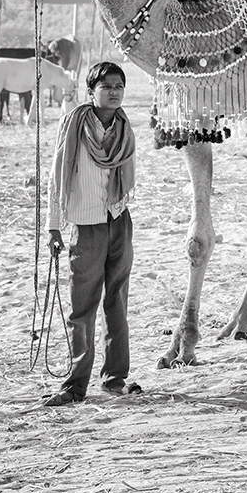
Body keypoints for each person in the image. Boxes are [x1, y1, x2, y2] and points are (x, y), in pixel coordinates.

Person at [43, 61, 142, 406]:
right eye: (107, 86)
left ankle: (115, 378)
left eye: (119, 86)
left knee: (117, 302)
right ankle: (74, 385)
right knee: (82, 308)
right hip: (85, 224)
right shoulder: (73, 125)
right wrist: (54, 225)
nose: (114, 92)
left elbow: (129, 173)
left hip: (119, 218)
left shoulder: (124, 127)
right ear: (91, 92)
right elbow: (58, 176)